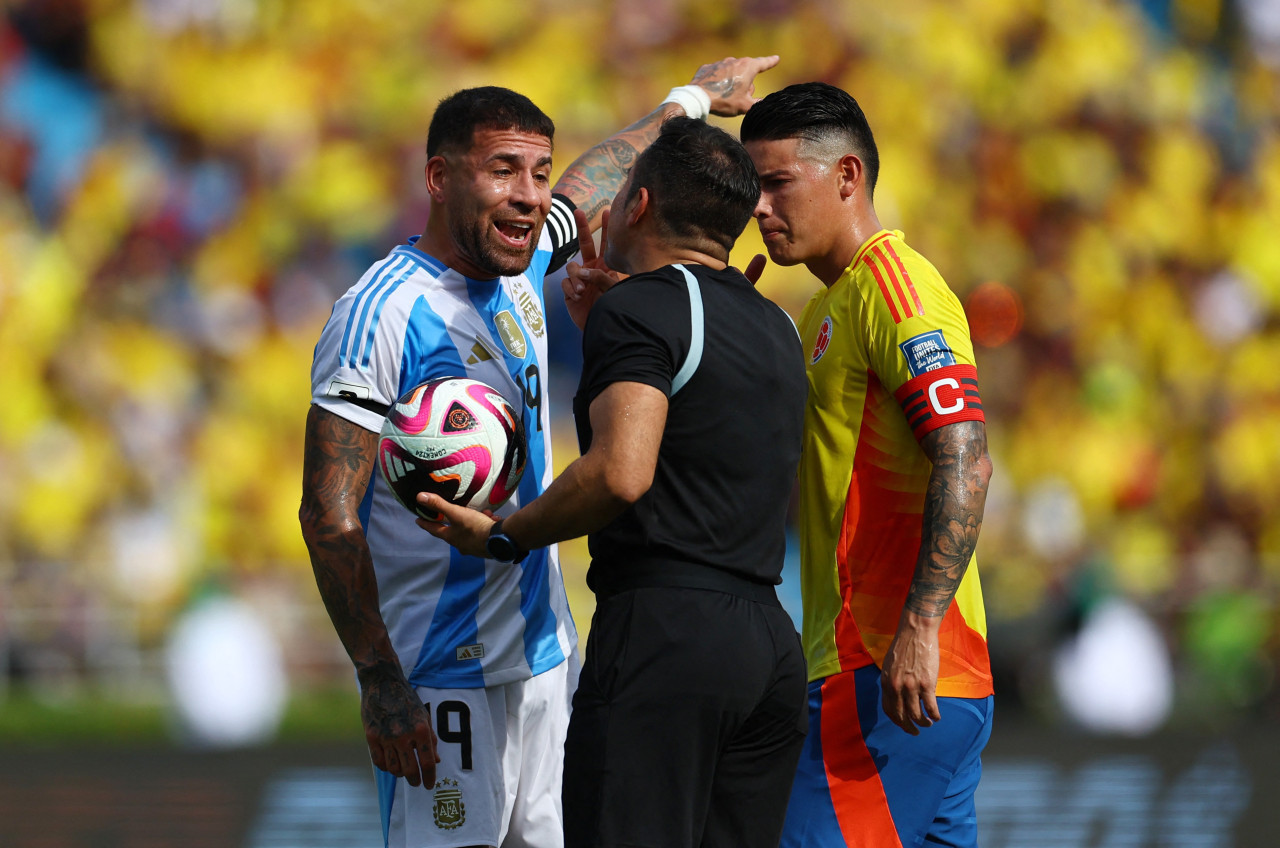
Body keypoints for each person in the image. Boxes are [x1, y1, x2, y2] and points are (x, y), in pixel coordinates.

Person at [298, 57, 779, 848]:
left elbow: (594, 180)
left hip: (547, 662)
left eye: (538, 171)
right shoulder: (380, 315)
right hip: (439, 677)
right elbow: (327, 513)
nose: (529, 193)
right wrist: (379, 678)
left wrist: (692, 101)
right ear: (440, 178)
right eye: (502, 170)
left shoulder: (519, 270)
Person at [419, 117, 809, 848]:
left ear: (636, 205)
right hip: (767, 642)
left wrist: (507, 534)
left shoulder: (645, 307)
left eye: (624, 189)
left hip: (667, 636)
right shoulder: (777, 325)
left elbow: (623, 474)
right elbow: (707, 439)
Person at [739, 82, 996, 848]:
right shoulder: (827, 308)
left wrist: (917, 626)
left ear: (847, 176)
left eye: (777, 182)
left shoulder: (895, 289)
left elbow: (966, 457)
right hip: (921, 678)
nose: (758, 206)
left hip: (892, 671)